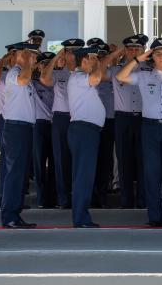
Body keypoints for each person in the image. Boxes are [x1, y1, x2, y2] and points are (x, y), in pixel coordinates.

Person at [116, 37, 162, 227]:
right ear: (153, 57)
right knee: (151, 173)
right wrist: (138, 59)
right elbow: (120, 77)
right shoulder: (143, 76)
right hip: (149, 127)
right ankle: (154, 217)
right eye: (158, 54)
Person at [103, 34, 149, 209]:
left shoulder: (150, 70)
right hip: (123, 118)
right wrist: (115, 54)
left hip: (144, 118)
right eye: (130, 49)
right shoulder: (116, 70)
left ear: (143, 50)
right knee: (124, 159)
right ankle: (127, 200)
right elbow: (99, 73)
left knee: (144, 160)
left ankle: (144, 200)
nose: (134, 52)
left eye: (137, 49)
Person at [39, 38, 84, 209]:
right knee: (61, 160)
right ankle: (64, 199)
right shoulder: (58, 73)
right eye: (69, 51)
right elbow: (44, 78)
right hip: (62, 119)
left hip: (80, 119)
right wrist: (57, 55)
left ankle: (79, 197)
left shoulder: (86, 73)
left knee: (79, 160)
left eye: (75, 51)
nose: (72, 55)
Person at [0, 42, 40, 229]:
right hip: (16, 128)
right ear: (21, 55)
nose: (35, 58)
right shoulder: (15, 73)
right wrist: (25, 62)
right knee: (15, 173)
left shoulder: (24, 73)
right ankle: (9, 216)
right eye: (31, 54)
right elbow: (23, 80)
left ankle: (14, 214)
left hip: (25, 127)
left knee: (21, 173)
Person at [67, 46, 106, 227]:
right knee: (83, 175)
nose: (94, 63)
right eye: (91, 59)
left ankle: (82, 215)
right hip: (84, 131)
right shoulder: (78, 77)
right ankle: (80, 217)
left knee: (85, 175)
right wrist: (97, 62)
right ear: (84, 61)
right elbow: (97, 77)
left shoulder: (81, 78)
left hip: (87, 131)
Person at [0, 44, 17, 207]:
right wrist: (3, 61)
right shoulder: (3, 72)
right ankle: (4, 198)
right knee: (6, 161)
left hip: (18, 119)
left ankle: (14, 198)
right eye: (13, 55)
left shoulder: (21, 72)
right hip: (4, 118)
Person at [91, 42, 115, 208]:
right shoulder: (89, 73)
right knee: (91, 161)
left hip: (109, 120)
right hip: (92, 122)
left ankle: (102, 196)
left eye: (103, 56)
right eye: (98, 56)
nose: (100, 59)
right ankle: (91, 196)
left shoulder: (113, 71)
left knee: (106, 161)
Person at [31, 51, 56, 208]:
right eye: (43, 64)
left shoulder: (58, 81)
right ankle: (41, 198)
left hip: (55, 125)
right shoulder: (31, 83)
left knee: (55, 163)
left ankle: (53, 198)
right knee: (39, 163)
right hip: (39, 124)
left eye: (48, 64)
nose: (46, 66)